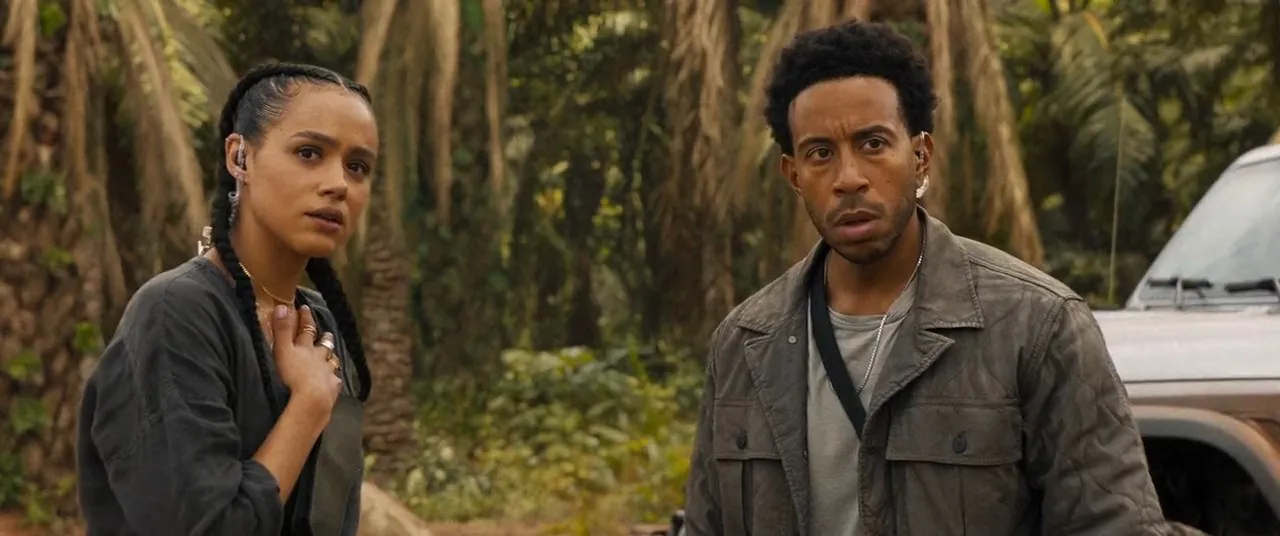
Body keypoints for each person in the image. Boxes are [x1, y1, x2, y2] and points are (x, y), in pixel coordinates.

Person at [682, 21, 1204, 535]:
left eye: (873, 143)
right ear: (794, 175)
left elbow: (1111, 523)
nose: (849, 178)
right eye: (821, 154)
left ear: (920, 155)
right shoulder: (745, 343)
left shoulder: (1036, 326)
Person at [76, 62, 378, 535]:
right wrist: (307, 405)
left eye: (357, 166)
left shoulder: (318, 324)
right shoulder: (177, 313)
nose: (338, 183)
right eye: (309, 152)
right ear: (240, 157)